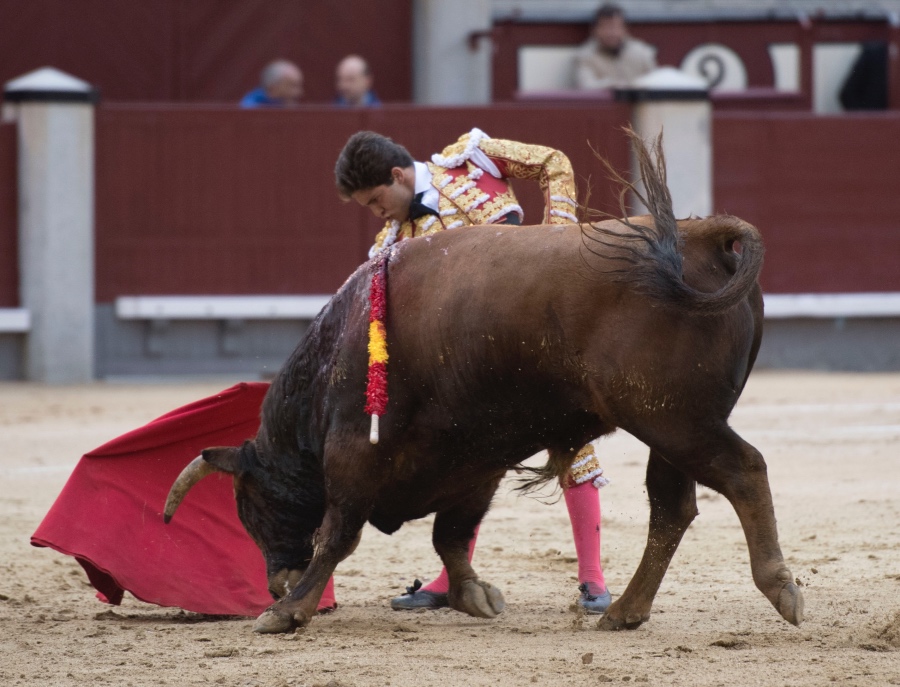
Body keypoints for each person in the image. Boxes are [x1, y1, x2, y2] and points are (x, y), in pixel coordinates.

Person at [334, 128, 613, 613]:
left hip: (530, 325)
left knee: (573, 446)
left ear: (398, 176)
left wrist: (560, 244)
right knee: (467, 462)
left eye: (377, 200)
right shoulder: (389, 245)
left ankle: (593, 578)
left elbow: (553, 158)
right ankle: (451, 577)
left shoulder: (467, 160)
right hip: (470, 370)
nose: (377, 214)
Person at [574, 3, 656, 90]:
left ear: (625, 29)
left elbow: (656, 83)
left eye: (616, 27)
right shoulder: (585, 56)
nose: (612, 33)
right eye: (606, 27)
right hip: (603, 103)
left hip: (639, 103)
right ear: (594, 30)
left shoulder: (642, 52)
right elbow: (585, 87)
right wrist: (610, 85)